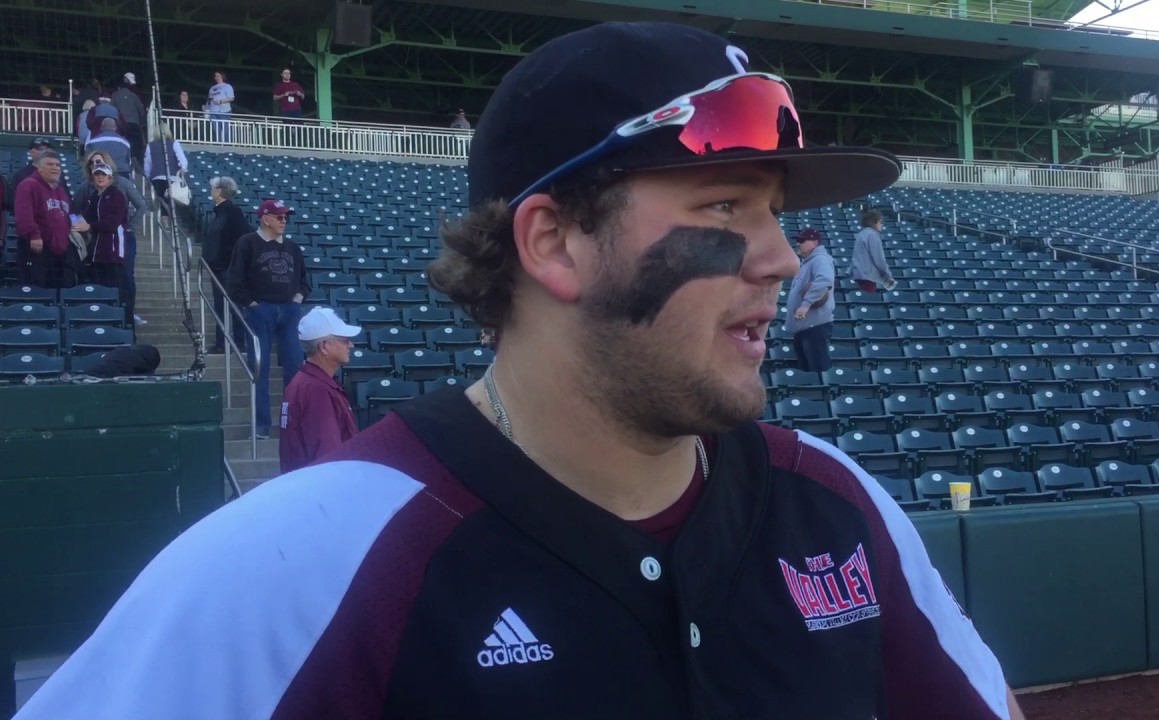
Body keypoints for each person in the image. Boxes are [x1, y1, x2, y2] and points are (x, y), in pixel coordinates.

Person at [12, 22, 1025, 720]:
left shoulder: (834, 504)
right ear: (552, 244)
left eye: (775, 215)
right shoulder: (295, 562)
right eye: (723, 209)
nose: (780, 256)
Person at [226, 199, 309, 440]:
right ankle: (262, 426)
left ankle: (294, 423)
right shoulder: (247, 243)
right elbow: (235, 282)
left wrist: (299, 297)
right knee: (259, 369)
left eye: (286, 217)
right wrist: (252, 304)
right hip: (261, 311)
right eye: (280, 217)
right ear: (265, 218)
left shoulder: (293, 247)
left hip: (289, 311)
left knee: (295, 367)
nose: (284, 221)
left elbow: (304, 280)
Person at [279, 307, 362, 474]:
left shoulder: (304, 383)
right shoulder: (317, 390)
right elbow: (329, 457)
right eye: (344, 340)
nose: (350, 345)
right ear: (324, 346)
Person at [13, 150, 81, 289]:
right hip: (37, 248)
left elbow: (71, 212)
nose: (55, 168)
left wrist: (79, 222)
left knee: (57, 292)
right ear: (39, 168)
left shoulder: (61, 190)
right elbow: (23, 215)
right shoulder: (28, 184)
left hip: (59, 253)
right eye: (50, 164)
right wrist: (34, 235)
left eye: (57, 165)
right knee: (37, 291)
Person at [203, 177, 253, 353]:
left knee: (233, 305)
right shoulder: (219, 213)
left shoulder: (232, 212)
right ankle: (221, 343)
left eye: (213, 189)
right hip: (217, 268)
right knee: (220, 305)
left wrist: (229, 261)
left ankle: (238, 342)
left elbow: (241, 238)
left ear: (219, 191)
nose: (211, 191)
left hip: (226, 268)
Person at [82, 163, 133, 321]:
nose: (100, 177)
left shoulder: (116, 195)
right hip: (97, 253)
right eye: (97, 174)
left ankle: (126, 322)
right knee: (101, 290)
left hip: (113, 252)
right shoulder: (94, 197)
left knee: (118, 290)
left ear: (110, 178)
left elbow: (113, 223)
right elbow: (87, 216)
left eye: (103, 175)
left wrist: (90, 225)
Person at [783, 227, 836, 373]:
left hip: (814, 327)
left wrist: (805, 305)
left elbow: (825, 280)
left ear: (815, 242)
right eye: (797, 240)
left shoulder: (820, 259)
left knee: (818, 373)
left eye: (802, 240)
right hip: (805, 327)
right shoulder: (807, 262)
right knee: (808, 375)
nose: (798, 244)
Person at [848, 208, 895, 293]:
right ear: (874, 221)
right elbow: (878, 259)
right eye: (880, 222)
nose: (882, 225)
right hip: (868, 278)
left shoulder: (861, 234)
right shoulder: (873, 235)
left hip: (858, 275)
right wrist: (887, 275)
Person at [207, 70, 235, 143]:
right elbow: (209, 99)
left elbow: (231, 98)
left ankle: (227, 144)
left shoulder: (227, 86)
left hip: (224, 110)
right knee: (215, 128)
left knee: (225, 128)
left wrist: (221, 101)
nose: (217, 77)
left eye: (218, 76)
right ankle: (218, 143)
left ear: (222, 76)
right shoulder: (212, 88)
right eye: (215, 76)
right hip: (213, 111)